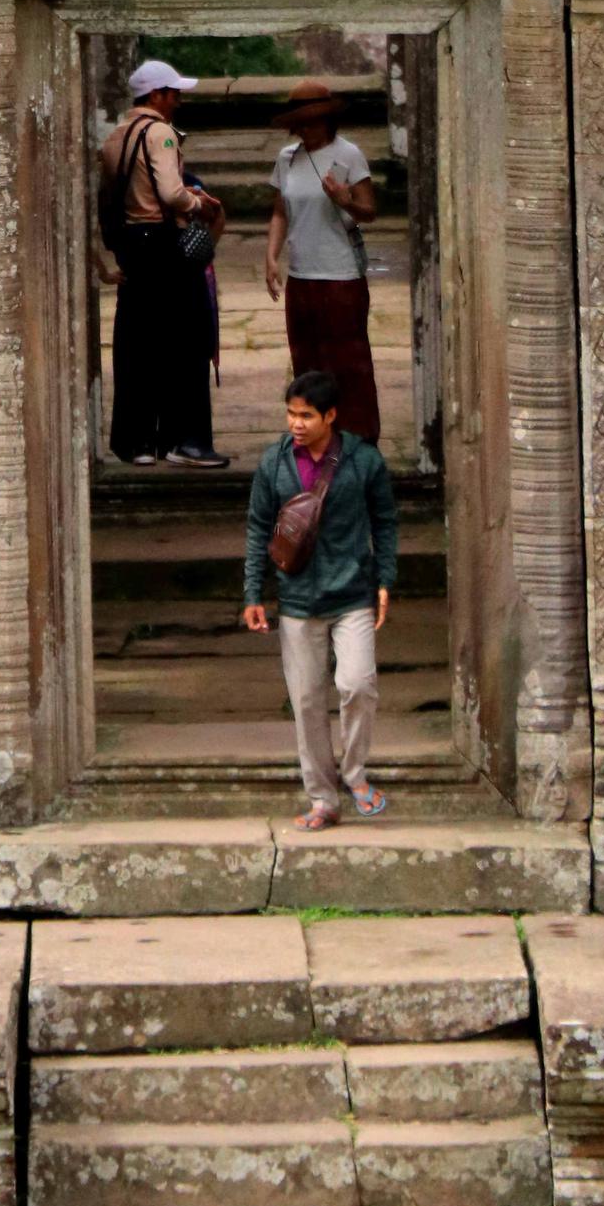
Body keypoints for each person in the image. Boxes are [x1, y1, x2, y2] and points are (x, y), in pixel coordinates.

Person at [242, 368, 400, 830]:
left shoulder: (364, 462)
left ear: (331, 416)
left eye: (306, 415)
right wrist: (253, 591)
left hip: (353, 595)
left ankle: (353, 772)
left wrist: (385, 578)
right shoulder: (274, 464)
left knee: (357, 685)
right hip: (296, 601)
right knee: (307, 702)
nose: (296, 423)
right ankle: (322, 800)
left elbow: (385, 522)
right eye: (291, 414)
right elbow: (257, 529)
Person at [96, 58, 229, 468]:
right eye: (174, 94)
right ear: (156, 95)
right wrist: (197, 203)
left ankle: (136, 441)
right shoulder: (160, 133)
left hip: (133, 244)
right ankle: (186, 439)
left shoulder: (115, 136)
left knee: (138, 343)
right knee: (188, 341)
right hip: (164, 240)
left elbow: (105, 200)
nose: (178, 101)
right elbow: (171, 194)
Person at [264, 75, 381, 446]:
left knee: (349, 362)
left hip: (340, 274)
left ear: (327, 121)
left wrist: (345, 199)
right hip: (303, 274)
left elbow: (369, 210)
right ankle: (316, 436)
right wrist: (271, 256)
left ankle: (359, 437)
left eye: (313, 121)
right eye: (301, 122)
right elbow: (280, 212)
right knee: (307, 360)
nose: (306, 129)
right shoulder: (287, 159)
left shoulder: (348, 154)